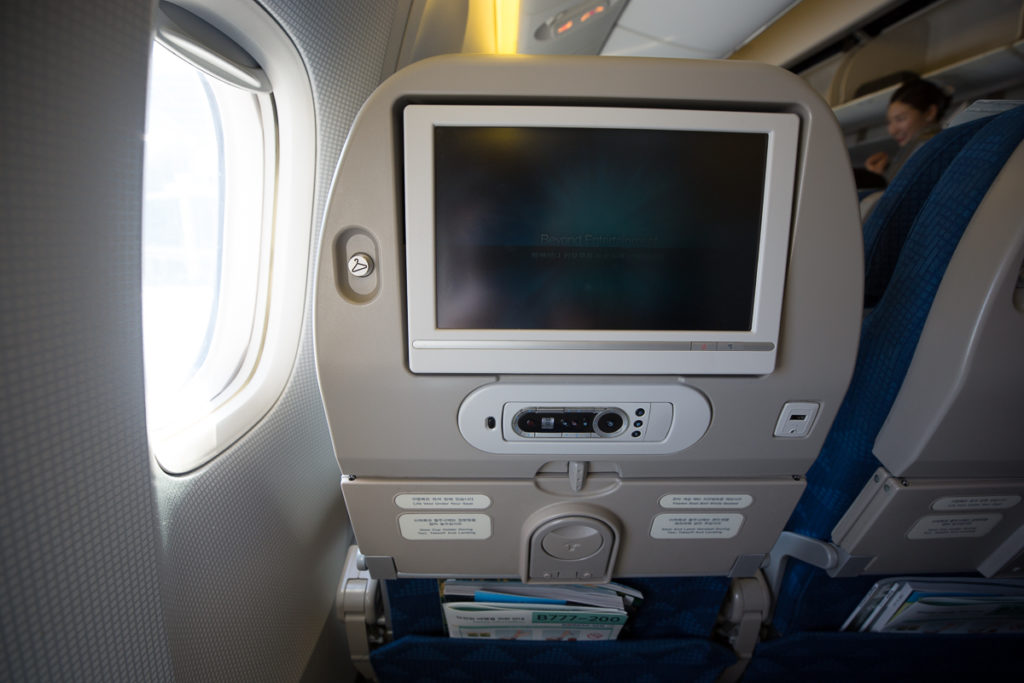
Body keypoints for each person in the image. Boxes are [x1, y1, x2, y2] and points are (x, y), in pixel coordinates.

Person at [865, 77, 951, 180]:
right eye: (889, 122)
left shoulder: (929, 148)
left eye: (900, 119)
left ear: (930, 113)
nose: (892, 131)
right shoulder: (916, 150)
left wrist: (877, 180)